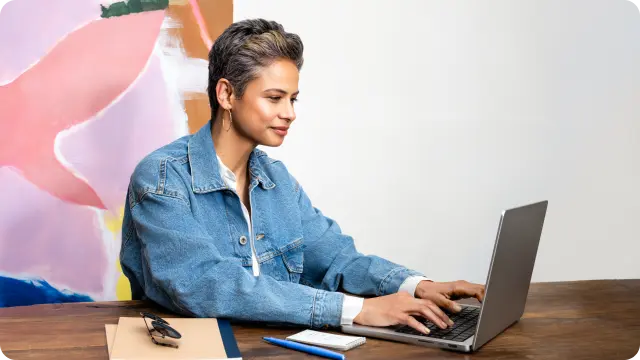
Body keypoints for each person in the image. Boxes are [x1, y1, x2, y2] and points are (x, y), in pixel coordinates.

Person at [120, 18, 485, 335]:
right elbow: (205, 284)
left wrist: (418, 285)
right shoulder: (162, 179)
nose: (289, 113)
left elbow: (336, 258)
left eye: (293, 99)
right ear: (227, 93)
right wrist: (357, 310)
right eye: (275, 98)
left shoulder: (275, 179)